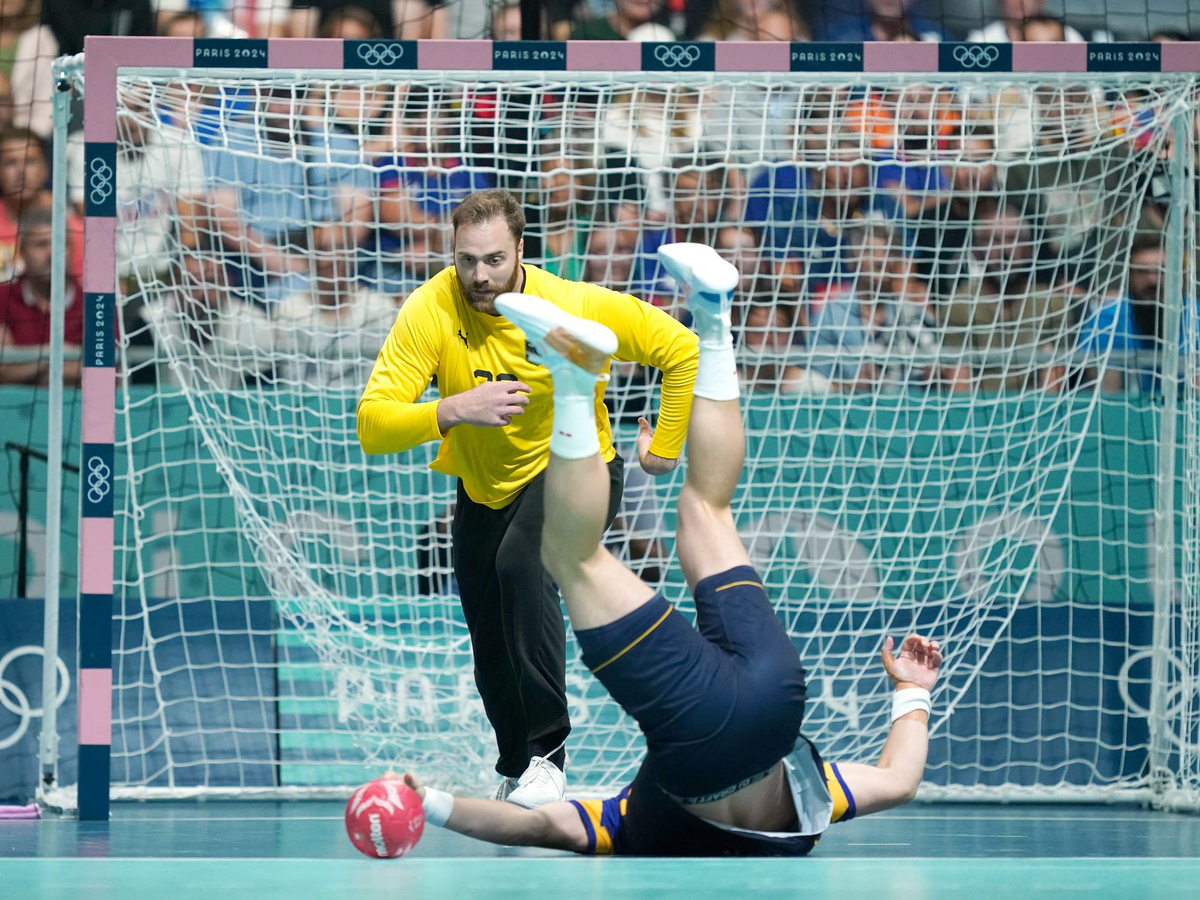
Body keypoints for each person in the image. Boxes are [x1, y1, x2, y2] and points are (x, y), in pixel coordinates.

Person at [387, 242, 943, 855]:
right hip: (697, 724)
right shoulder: (638, 825)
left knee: (708, 506)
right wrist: (430, 804)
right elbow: (539, 825)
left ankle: (713, 317)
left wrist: (911, 690)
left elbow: (899, 781)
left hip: (779, 698)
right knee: (572, 556)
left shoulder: (813, 806)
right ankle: (574, 381)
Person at [357, 188, 698, 808]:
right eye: (466, 260)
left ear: (520, 250)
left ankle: (549, 757)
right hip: (485, 488)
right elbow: (372, 425)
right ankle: (518, 765)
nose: (479, 276)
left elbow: (680, 348)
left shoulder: (569, 303)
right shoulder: (431, 307)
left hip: (578, 469)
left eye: (493, 260)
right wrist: (453, 408)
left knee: (523, 564)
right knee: (488, 633)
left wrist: (666, 450)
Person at [0, 208, 82, 385]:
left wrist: (30, 365)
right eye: (41, 245)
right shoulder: (3, 298)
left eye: (60, 243)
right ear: (22, 251)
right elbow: (3, 371)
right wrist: (54, 356)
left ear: (71, 249)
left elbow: (107, 372)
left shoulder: (94, 303)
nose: (52, 253)